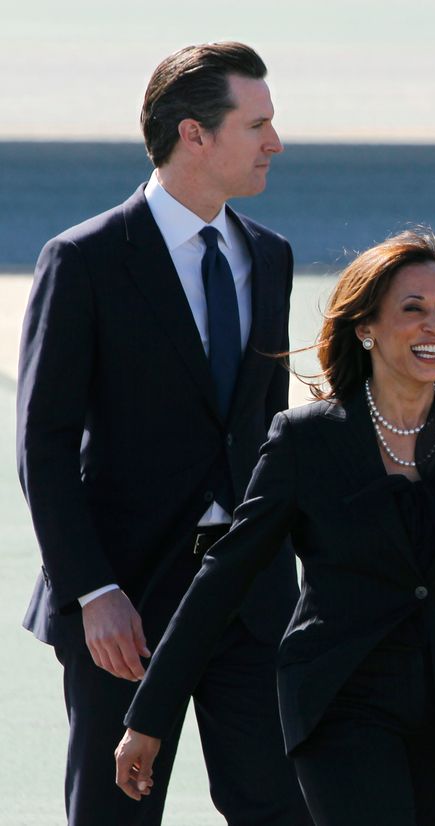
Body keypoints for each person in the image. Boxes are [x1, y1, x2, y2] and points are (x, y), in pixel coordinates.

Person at [113, 230, 435, 826]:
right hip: (342, 702)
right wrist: (150, 717)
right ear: (366, 328)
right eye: (414, 310)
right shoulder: (306, 439)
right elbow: (225, 575)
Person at [17, 42, 308, 825]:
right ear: (194, 135)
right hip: (126, 611)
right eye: (259, 125)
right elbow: (43, 449)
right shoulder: (83, 261)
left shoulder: (270, 258)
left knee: (284, 809)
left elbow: (266, 437)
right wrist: (93, 592)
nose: (275, 143)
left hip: (251, 602)